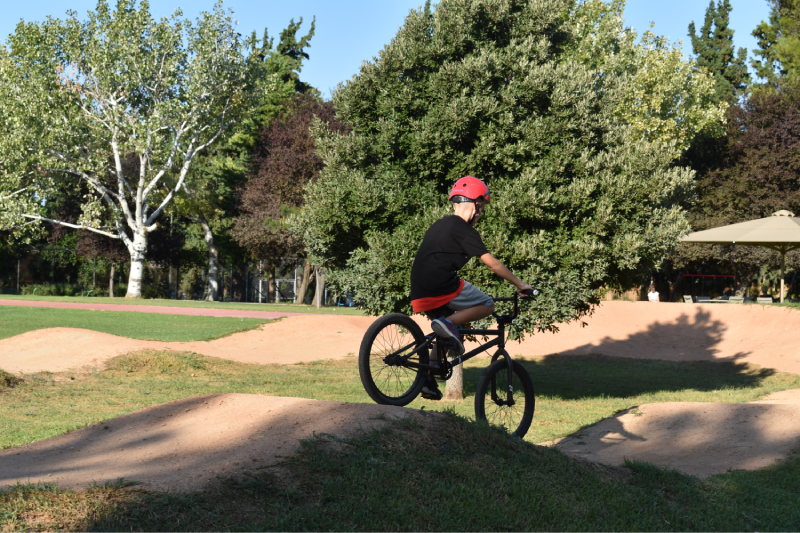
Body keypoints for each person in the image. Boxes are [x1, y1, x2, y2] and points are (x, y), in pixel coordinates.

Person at [409, 176, 532, 400]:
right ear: (475, 205)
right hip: (441, 283)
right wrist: (520, 284)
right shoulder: (464, 231)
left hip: (419, 288)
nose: (481, 214)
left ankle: (427, 379)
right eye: (482, 208)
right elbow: (493, 264)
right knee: (486, 304)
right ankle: (447, 323)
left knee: (443, 334)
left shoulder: (440, 224)